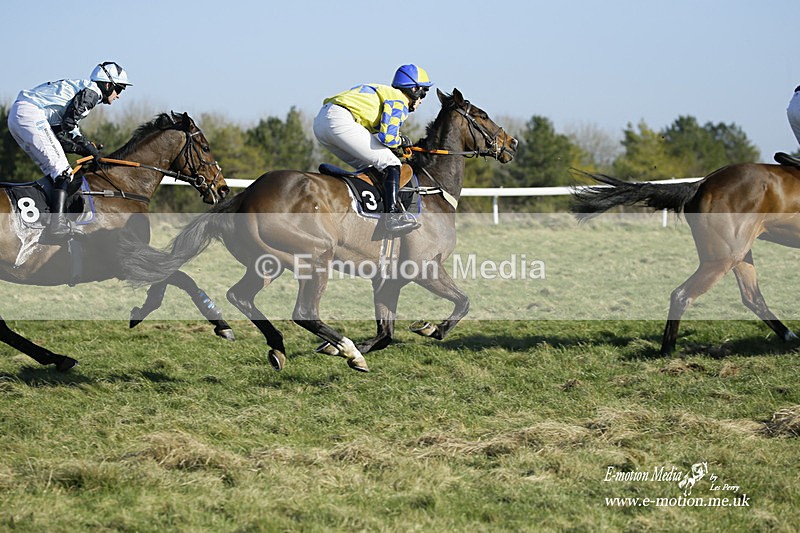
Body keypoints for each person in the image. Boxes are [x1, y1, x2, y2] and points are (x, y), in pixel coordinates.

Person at [7, 61, 132, 240]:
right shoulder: (93, 93)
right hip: (29, 113)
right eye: (119, 89)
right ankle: (56, 226)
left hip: (19, 115)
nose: (118, 95)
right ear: (107, 85)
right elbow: (69, 125)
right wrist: (89, 148)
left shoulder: (82, 90)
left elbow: (63, 137)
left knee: (55, 172)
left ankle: (43, 216)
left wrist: (85, 148)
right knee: (63, 172)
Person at [313, 64, 433, 234]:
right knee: (391, 163)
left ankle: (364, 208)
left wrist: (396, 143)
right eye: (424, 92)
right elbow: (388, 138)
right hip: (339, 120)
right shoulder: (398, 99)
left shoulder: (385, 92)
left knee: (371, 166)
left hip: (321, 123)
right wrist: (402, 141)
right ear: (414, 89)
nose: (422, 100)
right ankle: (390, 218)